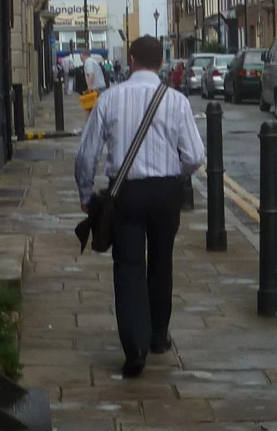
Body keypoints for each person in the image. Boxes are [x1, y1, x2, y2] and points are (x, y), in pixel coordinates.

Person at [74, 35, 205, 378]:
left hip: (125, 193)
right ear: (161, 63)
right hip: (165, 193)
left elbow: (86, 154)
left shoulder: (110, 99)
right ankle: (158, 338)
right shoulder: (176, 101)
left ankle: (135, 348)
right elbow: (194, 156)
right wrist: (174, 175)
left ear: (130, 59)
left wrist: (86, 195)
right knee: (162, 262)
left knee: (128, 266)